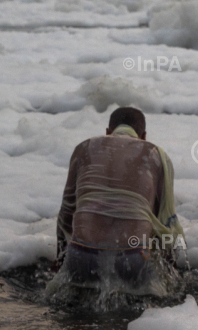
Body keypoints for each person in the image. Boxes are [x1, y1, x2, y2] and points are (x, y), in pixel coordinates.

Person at [53, 107, 184, 295]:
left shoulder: (84, 148)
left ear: (108, 132)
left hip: (82, 254)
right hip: (132, 256)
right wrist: (173, 273)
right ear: (143, 135)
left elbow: (66, 214)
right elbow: (167, 223)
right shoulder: (155, 155)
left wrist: (60, 261)